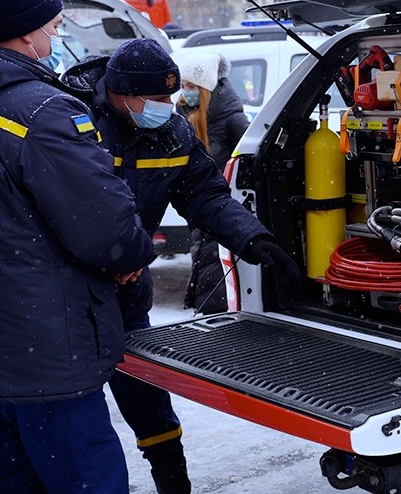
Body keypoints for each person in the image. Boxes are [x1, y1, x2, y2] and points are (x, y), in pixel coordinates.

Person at [61, 39, 300, 494]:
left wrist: (251, 237)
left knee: (144, 387)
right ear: (121, 92)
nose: (170, 107)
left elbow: (204, 195)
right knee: (76, 406)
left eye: (172, 96)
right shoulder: (71, 123)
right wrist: (108, 259)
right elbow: (59, 208)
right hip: (73, 293)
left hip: (129, 290)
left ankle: (172, 475)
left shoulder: (172, 133)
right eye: (157, 99)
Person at [0, 0, 154, 492]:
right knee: (86, 481)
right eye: (55, 26)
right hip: (47, 353)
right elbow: (106, 229)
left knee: (16, 481)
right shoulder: (40, 110)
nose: (57, 37)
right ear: (26, 33)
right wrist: (129, 256)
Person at [175, 53, 250, 313]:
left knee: (216, 269)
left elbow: (247, 168)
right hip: (197, 210)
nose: (186, 93)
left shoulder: (234, 120)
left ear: (207, 88)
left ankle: (214, 315)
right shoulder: (186, 115)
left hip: (220, 208)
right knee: (206, 264)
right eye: (183, 86)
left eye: (192, 86)